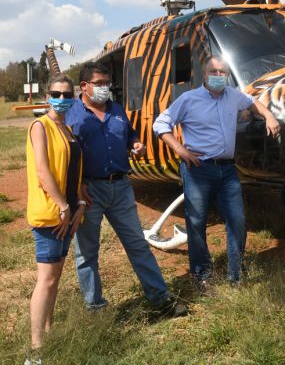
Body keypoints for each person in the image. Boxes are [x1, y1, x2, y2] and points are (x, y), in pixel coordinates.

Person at [153, 55, 281, 291]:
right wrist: (180, 150)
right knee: (196, 222)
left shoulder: (233, 95)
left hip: (228, 170)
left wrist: (269, 115)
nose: (219, 76)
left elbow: (252, 101)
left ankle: (236, 277)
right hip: (198, 170)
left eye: (223, 72)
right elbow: (161, 124)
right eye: (214, 71)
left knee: (237, 220)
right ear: (205, 74)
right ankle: (202, 275)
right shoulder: (188, 99)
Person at [65, 62, 183, 313]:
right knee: (87, 253)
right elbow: (65, 154)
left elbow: (130, 135)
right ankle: (95, 308)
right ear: (84, 86)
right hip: (89, 191)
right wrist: (76, 187)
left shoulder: (117, 109)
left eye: (107, 83)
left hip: (121, 188)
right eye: (99, 83)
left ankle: (160, 298)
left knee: (138, 244)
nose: (105, 88)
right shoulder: (71, 113)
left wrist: (136, 144)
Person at [25, 74, 85, 364]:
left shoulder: (68, 130)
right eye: (56, 94)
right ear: (47, 96)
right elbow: (42, 170)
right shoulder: (41, 126)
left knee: (56, 276)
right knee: (47, 280)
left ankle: (49, 332)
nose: (62, 99)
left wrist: (79, 203)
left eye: (67, 94)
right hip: (52, 215)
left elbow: (73, 172)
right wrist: (62, 206)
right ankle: (36, 351)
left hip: (69, 213)